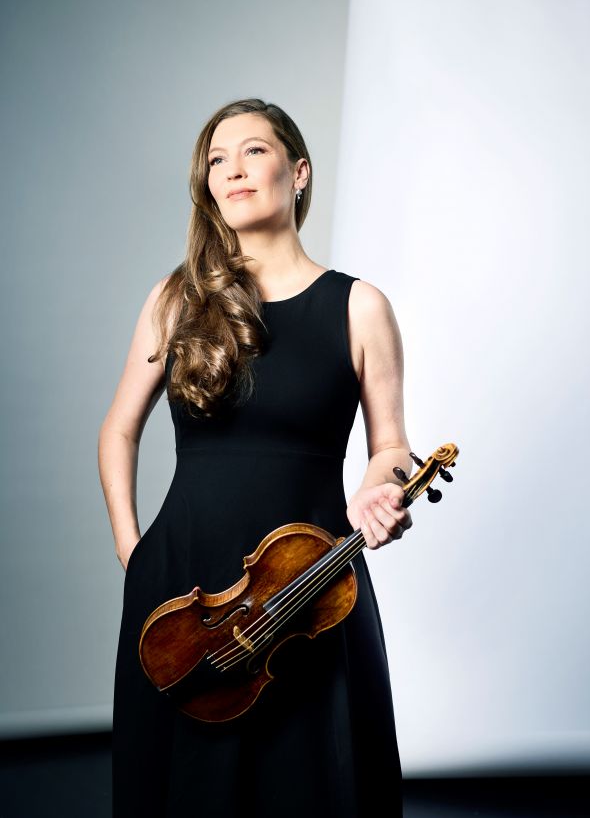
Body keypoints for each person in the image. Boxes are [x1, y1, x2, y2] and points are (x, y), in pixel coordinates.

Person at [98, 97, 413, 818]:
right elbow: (119, 427)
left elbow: (390, 444)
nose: (233, 170)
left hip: (311, 590)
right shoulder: (176, 298)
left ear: (298, 173)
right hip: (183, 590)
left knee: (313, 787)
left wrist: (379, 487)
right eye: (217, 158)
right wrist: (133, 550)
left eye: (254, 152)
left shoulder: (360, 305)